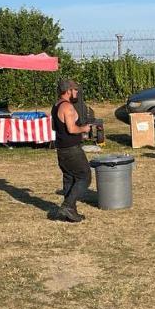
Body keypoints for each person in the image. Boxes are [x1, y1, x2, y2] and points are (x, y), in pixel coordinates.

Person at [51, 78, 93, 221]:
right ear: (68, 91)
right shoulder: (67, 107)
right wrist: (84, 129)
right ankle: (68, 206)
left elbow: (55, 127)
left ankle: (70, 212)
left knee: (69, 179)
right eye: (75, 90)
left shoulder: (56, 105)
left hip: (61, 149)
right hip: (72, 149)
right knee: (84, 177)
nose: (76, 92)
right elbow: (71, 128)